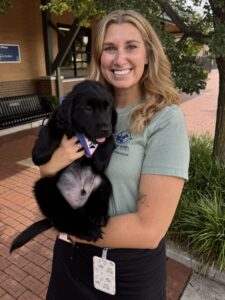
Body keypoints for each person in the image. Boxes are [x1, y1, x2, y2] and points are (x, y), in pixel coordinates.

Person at [41, 10, 190, 300]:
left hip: (127, 272)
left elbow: (149, 229)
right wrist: (49, 168)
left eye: (131, 47)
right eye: (110, 48)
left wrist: (68, 227)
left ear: (148, 55)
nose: (119, 59)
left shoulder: (164, 120)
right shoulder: (83, 108)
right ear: (99, 57)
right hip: (70, 261)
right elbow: (50, 169)